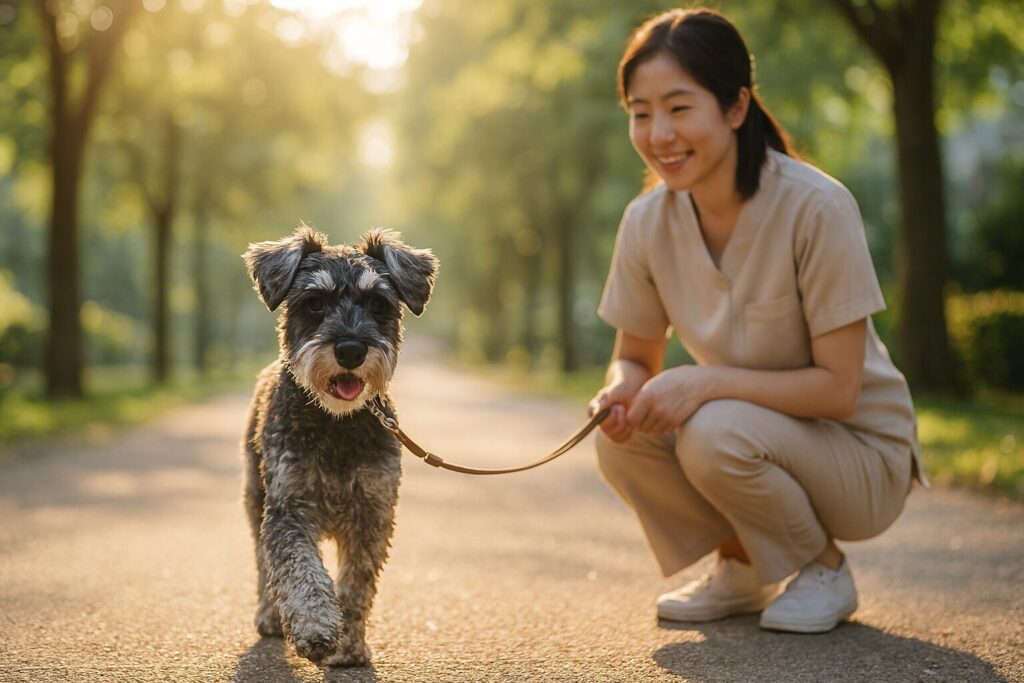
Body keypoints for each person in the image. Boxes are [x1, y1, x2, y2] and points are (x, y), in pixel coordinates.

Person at [589, 7, 927, 634]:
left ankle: (823, 568)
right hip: (752, 433)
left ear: (737, 107)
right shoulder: (645, 222)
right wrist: (621, 387)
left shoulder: (816, 208)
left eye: (679, 107)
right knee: (628, 436)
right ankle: (744, 565)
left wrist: (705, 382)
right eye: (641, 112)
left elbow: (839, 388)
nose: (658, 132)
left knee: (712, 428)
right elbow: (635, 354)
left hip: (860, 454)